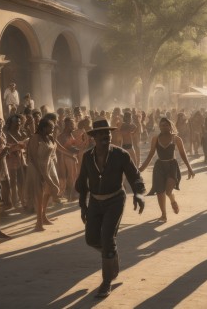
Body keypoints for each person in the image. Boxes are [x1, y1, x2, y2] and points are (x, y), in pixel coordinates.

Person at [75, 119, 146, 298]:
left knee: (107, 237)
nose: (105, 136)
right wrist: (83, 205)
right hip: (95, 201)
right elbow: (82, 183)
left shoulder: (120, 155)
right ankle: (111, 253)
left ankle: (107, 281)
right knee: (91, 239)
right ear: (94, 137)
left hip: (115, 200)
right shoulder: (87, 157)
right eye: (101, 134)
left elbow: (134, 175)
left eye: (107, 133)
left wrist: (139, 194)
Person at [139, 117, 194, 222]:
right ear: (159, 126)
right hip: (159, 166)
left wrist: (189, 168)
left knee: (168, 191)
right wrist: (140, 169)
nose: (164, 127)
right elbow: (150, 155)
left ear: (170, 126)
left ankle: (172, 200)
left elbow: (183, 154)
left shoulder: (176, 139)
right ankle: (164, 215)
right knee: (160, 191)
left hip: (172, 166)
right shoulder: (155, 138)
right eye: (162, 125)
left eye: (166, 125)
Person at [25, 118, 60, 231]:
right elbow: (33, 157)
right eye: (51, 126)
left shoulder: (49, 137)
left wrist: (53, 135)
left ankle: (44, 215)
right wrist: (40, 173)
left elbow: (53, 151)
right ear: (43, 127)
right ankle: (38, 222)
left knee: (49, 191)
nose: (53, 128)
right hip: (36, 167)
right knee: (39, 194)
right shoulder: (35, 138)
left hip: (48, 165)